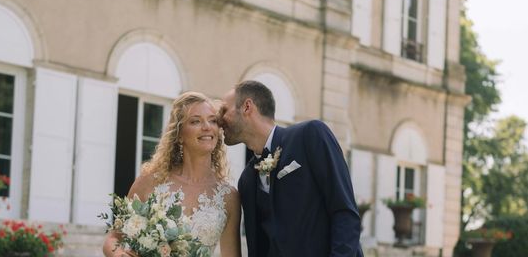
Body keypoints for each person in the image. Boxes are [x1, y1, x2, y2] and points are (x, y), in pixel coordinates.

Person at [219, 80, 364, 257]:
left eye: (224, 110)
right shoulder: (247, 180)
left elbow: (344, 212)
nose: (219, 120)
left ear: (247, 107)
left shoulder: (310, 135)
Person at [103, 91, 242, 257]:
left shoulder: (229, 197)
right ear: (179, 134)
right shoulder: (150, 181)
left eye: (212, 120)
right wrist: (120, 255)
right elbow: (113, 238)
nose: (207, 127)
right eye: (196, 121)